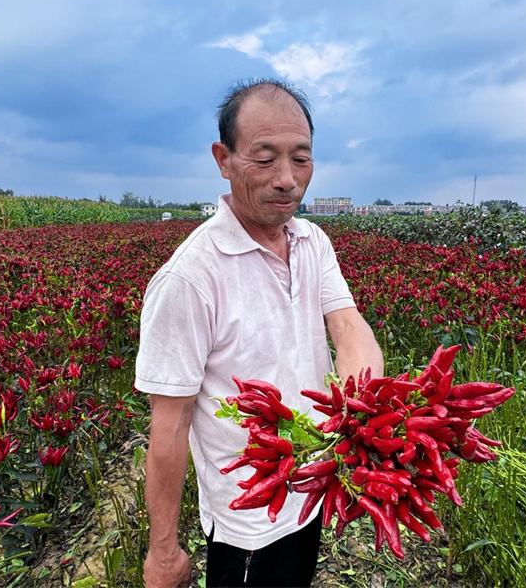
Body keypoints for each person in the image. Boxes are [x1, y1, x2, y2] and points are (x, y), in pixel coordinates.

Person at [135, 78, 384, 588]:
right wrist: (163, 552)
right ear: (223, 160)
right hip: (249, 514)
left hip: (314, 483)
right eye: (265, 158)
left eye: (301, 158)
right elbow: (170, 424)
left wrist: (360, 406)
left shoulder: (312, 240)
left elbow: (347, 324)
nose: (287, 179)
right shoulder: (189, 279)